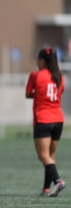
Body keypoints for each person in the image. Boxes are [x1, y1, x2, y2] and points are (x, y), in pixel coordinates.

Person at [25, 47, 66, 197]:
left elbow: (28, 93)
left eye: (37, 59)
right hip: (58, 120)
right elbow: (58, 94)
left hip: (43, 119)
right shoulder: (60, 77)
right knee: (50, 155)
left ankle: (57, 181)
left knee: (43, 156)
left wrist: (38, 95)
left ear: (42, 61)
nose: (36, 62)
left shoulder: (35, 76)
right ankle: (46, 189)